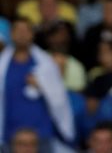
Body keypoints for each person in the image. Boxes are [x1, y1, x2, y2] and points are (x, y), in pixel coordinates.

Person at [0, 17, 74, 151]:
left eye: (26, 30)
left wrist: (43, 85)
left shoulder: (46, 64)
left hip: (42, 134)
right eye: (18, 30)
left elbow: (59, 99)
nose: (22, 34)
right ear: (11, 34)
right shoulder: (2, 65)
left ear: (32, 34)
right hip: (9, 134)